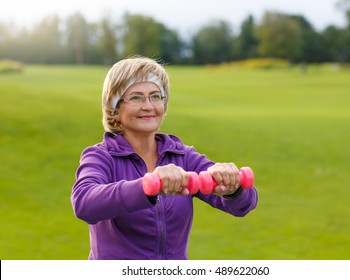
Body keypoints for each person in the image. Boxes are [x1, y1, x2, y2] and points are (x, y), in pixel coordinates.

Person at [71, 56, 258, 260]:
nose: (148, 106)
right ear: (115, 109)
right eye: (136, 97)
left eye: (156, 96)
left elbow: (245, 204)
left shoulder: (183, 156)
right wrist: (146, 186)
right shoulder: (101, 156)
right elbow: (84, 203)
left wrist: (233, 188)